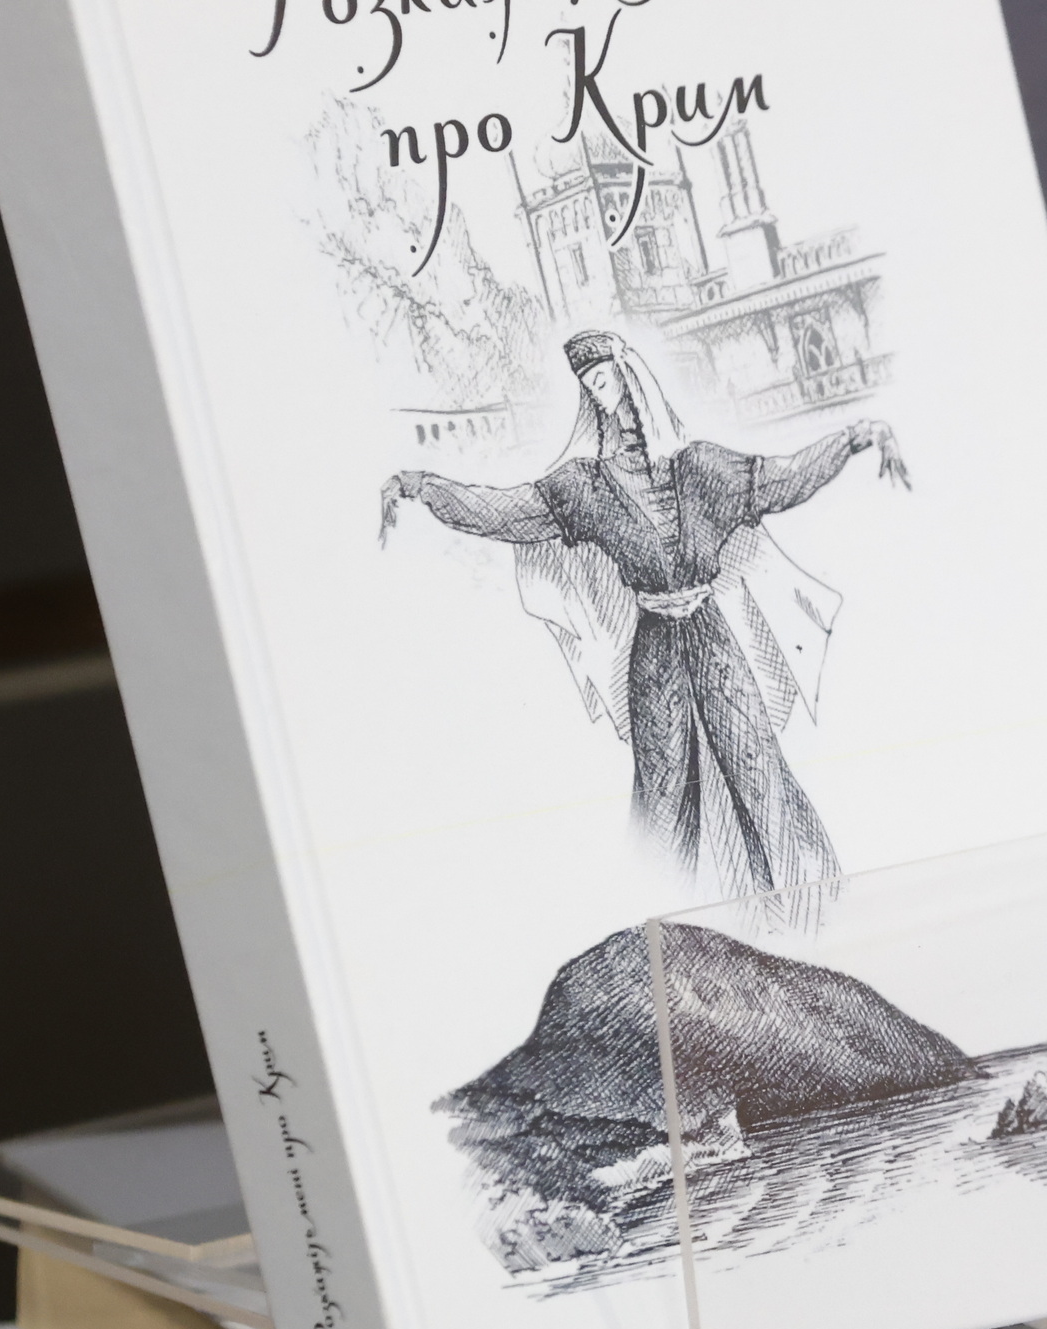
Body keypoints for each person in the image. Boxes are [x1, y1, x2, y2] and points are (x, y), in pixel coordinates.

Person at [383, 330, 909, 918]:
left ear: (632, 379)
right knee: (662, 798)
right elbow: (505, 512)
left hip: (712, 643)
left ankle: (798, 917)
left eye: (603, 381)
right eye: (590, 390)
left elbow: (783, 479)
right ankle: (672, 927)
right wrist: (423, 488)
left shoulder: (702, 467)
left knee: (756, 771)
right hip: (654, 651)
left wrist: (854, 438)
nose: (601, 399)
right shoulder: (584, 486)